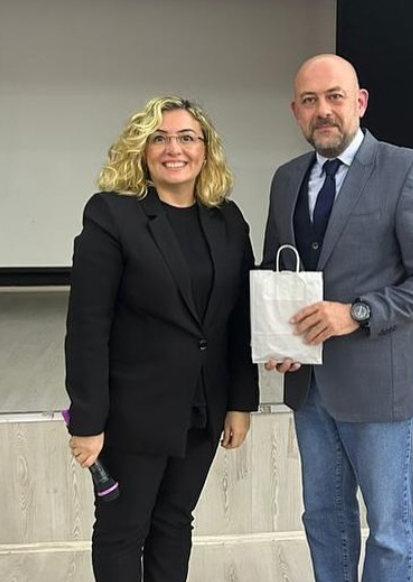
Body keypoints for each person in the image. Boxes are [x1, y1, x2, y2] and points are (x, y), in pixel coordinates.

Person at [262, 55, 413, 582]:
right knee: (323, 520)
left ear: (360, 102)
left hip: (378, 389)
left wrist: (358, 312)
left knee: (389, 531)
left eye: (334, 97)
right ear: (295, 111)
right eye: (309, 101)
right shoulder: (286, 179)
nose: (323, 110)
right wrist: (276, 337)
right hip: (307, 386)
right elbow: (277, 273)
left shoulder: (405, 168)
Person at [65, 96, 259, 582]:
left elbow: (240, 319)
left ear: (205, 150)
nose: (174, 149)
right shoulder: (112, 215)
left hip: (203, 407)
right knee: (123, 530)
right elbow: (87, 326)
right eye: (160, 138)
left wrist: (241, 401)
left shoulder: (228, 220)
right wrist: (87, 420)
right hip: (133, 411)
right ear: (142, 150)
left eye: (186, 137)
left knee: (175, 523)